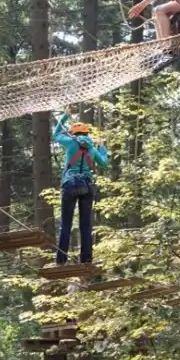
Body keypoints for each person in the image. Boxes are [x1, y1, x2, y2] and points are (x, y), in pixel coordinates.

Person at [54, 112, 109, 265]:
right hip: (86, 185)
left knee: (66, 224)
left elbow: (56, 134)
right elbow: (104, 163)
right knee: (85, 224)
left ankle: (61, 260)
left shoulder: (70, 142)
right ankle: (87, 258)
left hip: (70, 184)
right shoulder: (92, 148)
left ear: (74, 133)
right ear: (86, 133)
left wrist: (64, 117)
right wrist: (102, 147)